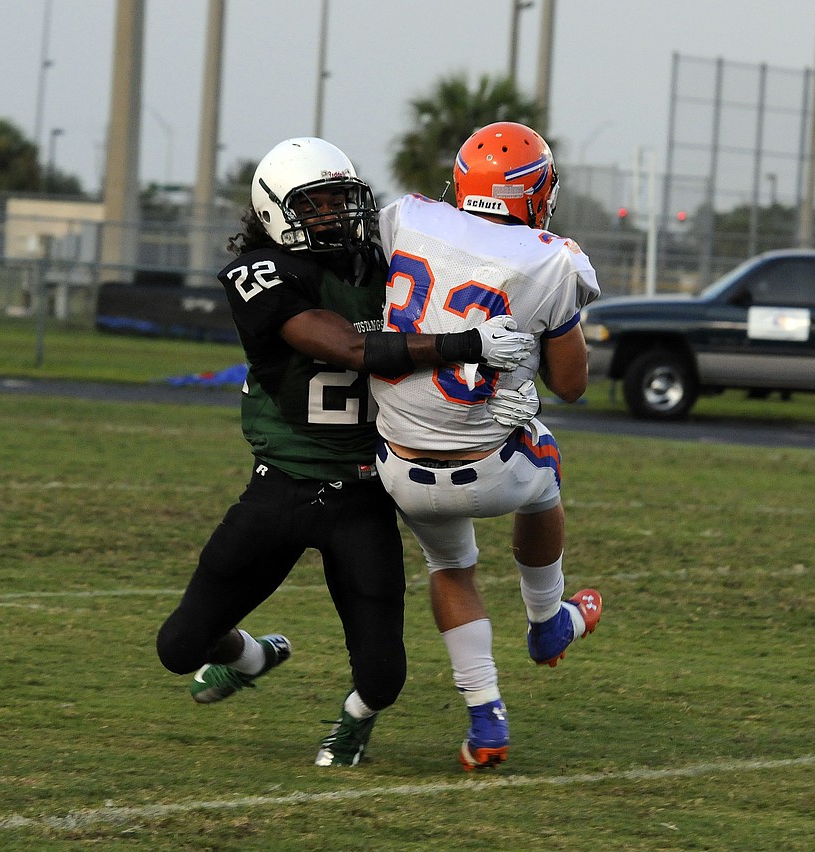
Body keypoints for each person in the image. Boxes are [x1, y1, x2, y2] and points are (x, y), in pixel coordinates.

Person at [155, 137, 536, 768]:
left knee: (384, 677)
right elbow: (353, 350)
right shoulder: (260, 274)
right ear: (276, 211)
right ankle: (252, 656)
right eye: (318, 204)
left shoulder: (389, 260)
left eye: (341, 200)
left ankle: (356, 716)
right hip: (283, 483)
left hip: (366, 490)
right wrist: (465, 343)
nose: (335, 215)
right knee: (179, 647)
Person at [370, 121, 604, 771]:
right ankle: (547, 619)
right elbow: (572, 383)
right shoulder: (550, 257)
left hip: (398, 463)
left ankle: (486, 719)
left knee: (451, 569)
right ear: (530, 190)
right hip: (493, 468)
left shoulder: (405, 218)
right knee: (546, 461)